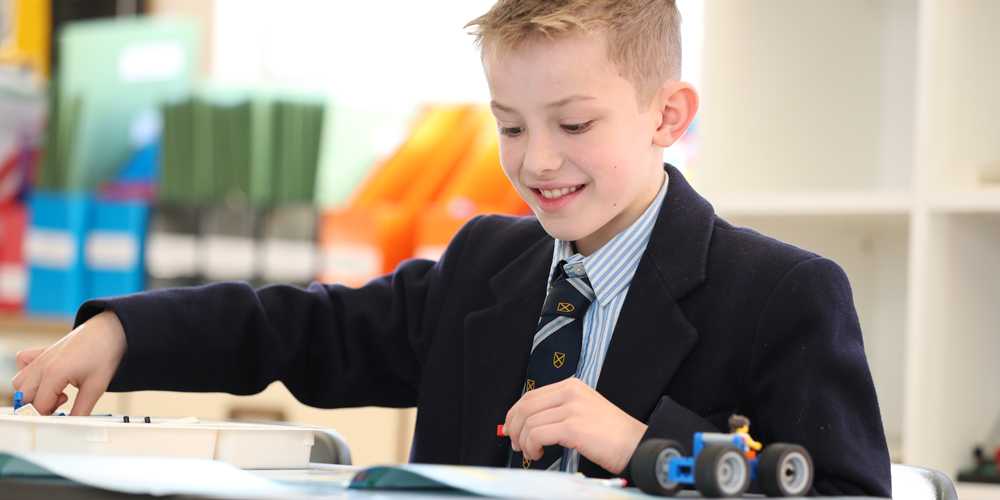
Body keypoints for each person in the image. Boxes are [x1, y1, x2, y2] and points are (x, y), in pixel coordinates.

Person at [12, 0, 891, 495]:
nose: (536, 161)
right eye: (510, 126)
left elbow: (842, 493)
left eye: (573, 125)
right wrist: (127, 331)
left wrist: (643, 445)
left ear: (668, 116)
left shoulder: (781, 295)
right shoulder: (485, 266)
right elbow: (306, 329)